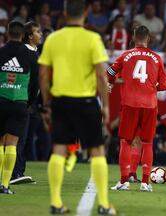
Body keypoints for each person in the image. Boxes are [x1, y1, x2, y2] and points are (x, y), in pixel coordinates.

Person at [38, 0, 116, 214]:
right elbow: (101, 75)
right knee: (97, 150)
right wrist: (106, 106)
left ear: (64, 13)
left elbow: (43, 74)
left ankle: (55, 202)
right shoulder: (93, 38)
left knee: (59, 149)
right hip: (86, 102)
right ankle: (104, 204)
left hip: (61, 101)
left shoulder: (53, 38)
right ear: (86, 12)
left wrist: (47, 102)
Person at [107, 25, 166, 192]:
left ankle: (124, 182)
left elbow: (109, 73)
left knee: (126, 141)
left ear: (134, 38)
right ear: (148, 38)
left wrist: (115, 81)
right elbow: (164, 85)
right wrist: (149, 87)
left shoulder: (125, 56)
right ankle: (145, 183)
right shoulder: (157, 58)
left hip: (130, 103)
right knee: (147, 142)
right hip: (149, 105)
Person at [0, 20, 38, 194]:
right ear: (23, 35)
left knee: (0, 143)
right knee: (12, 145)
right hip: (20, 103)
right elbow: (35, 84)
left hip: (1, 101)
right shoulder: (30, 56)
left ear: (8, 33)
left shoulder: (1, 52)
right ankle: (5, 185)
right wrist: (28, 102)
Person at [10, 21, 42, 185]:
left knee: (24, 138)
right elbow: (31, 82)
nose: (40, 34)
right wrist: (29, 101)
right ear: (29, 36)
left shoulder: (33, 52)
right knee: (18, 138)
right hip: (22, 100)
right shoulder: (26, 54)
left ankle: (19, 171)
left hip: (29, 102)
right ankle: (15, 173)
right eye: (37, 32)